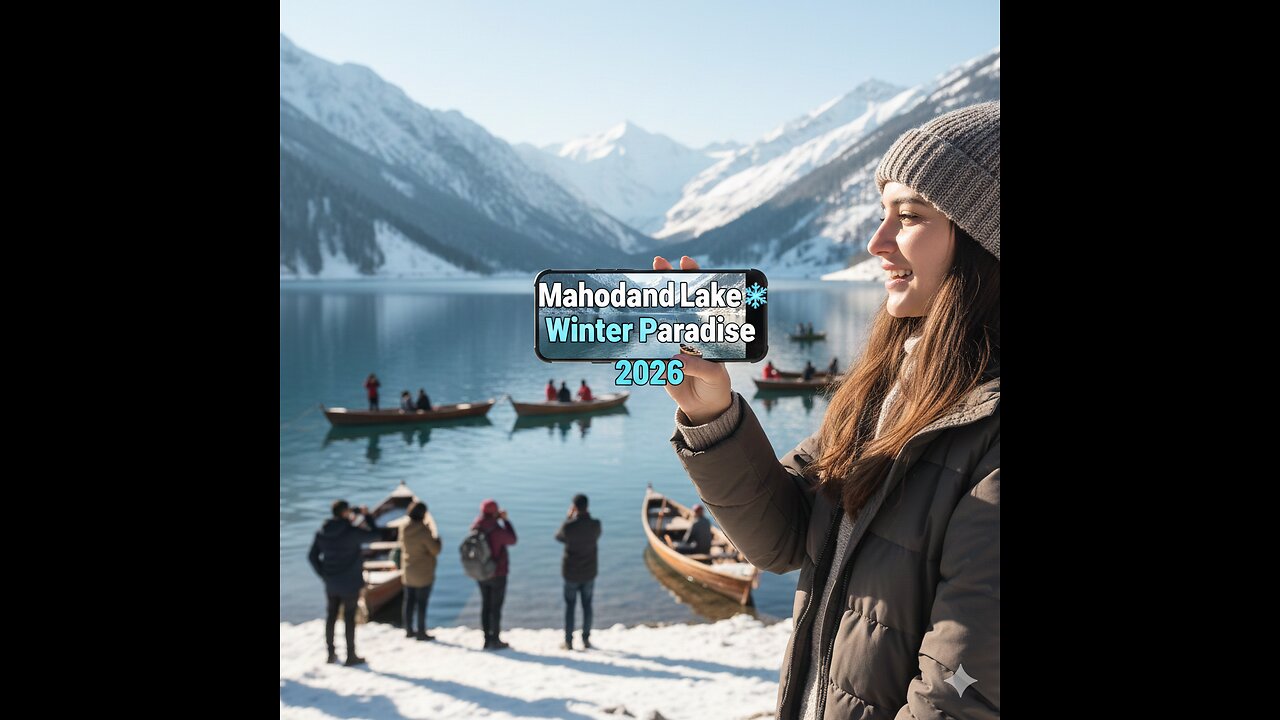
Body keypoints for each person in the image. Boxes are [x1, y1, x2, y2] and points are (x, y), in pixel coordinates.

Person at [656, 100, 1000, 719]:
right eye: (881, 215)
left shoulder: (988, 427)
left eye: (910, 216)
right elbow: (786, 538)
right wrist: (714, 417)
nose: (876, 242)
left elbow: (961, 697)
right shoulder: (891, 387)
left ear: (983, 240)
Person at [308, 499, 382, 666]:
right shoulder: (352, 532)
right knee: (349, 619)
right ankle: (351, 656)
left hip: (331, 583)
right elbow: (376, 535)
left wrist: (324, 575)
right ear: (344, 513)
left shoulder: (322, 532)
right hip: (350, 584)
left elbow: (312, 557)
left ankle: (330, 654)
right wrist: (367, 516)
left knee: (331, 617)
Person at [555, 494, 602, 650]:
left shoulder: (569, 527)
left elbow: (558, 537)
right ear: (587, 507)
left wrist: (568, 518)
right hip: (589, 573)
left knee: (570, 607)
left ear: (574, 508)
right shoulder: (595, 525)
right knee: (587, 605)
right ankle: (586, 639)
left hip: (571, 574)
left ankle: (568, 641)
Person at [472, 499, 518, 649]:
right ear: (495, 512)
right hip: (497, 574)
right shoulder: (497, 530)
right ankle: (495, 639)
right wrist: (506, 521)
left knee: (485, 606)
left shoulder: (476, 526)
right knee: (496, 607)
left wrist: (495, 518)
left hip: (481, 573)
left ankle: (486, 639)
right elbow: (512, 539)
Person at [399, 501, 441, 641]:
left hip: (408, 571)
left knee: (408, 602)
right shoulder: (424, 531)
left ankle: (408, 630)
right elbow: (435, 550)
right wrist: (438, 540)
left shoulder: (404, 528)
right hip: (423, 573)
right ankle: (421, 632)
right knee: (421, 603)